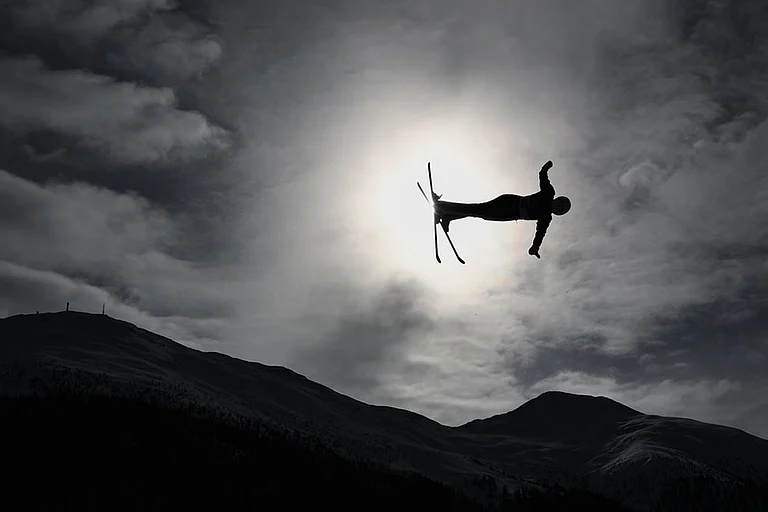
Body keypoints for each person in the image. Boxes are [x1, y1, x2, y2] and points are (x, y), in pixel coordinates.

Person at [434, 160, 570, 259]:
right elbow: (543, 178)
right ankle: (442, 207)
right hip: (509, 208)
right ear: (557, 201)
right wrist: (545, 169)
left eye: (559, 210)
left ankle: (448, 215)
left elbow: (540, 233)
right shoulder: (548, 195)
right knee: (477, 210)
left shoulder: (547, 216)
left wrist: (535, 247)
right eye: (559, 206)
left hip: (509, 205)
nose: (556, 208)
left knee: (477, 211)